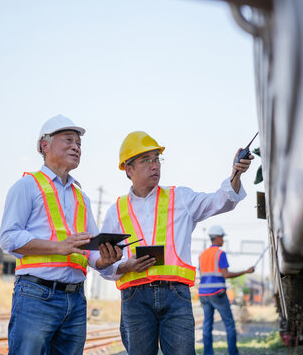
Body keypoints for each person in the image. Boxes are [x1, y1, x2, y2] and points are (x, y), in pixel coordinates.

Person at [100, 131, 253, 355]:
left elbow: (221, 201)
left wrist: (235, 174)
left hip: (176, 296)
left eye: (156, 159)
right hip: (134, 299)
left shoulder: (180, 198)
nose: (155, 165)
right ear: (128, 169)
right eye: (146, 160)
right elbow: (104, 265)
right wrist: (125, 266)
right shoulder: (116, 211)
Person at [0, 114, 123, 355]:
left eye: (79, 143)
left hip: (75, 299)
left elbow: (90, 250)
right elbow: (8, 238)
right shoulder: (27, 186)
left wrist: (104, 260)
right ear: (44, 145)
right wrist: (58, 247)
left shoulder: (81, 197)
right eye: (68, 140)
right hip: (36, 295)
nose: (76, 147)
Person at [198, 225, 255, 355]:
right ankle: (233, 353)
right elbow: (226, 274)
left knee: (207, 326)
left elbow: (202, 274)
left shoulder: (202, 255)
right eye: (222, 237)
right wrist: (246, 271)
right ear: (217, 238)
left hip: (204, 294)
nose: (223, 240)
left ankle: (208, 353)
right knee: (229, 324)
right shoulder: (220, 253)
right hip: (217, 293)